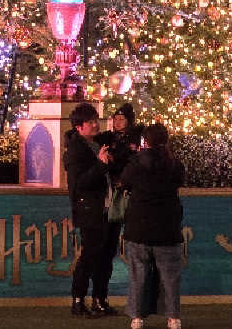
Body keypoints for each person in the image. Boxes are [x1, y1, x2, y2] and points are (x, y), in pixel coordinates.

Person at [120, 122, 185, 329]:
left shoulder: (136, 163)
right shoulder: (175, 164)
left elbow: (124, 182)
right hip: (167, 228)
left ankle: (137, 318)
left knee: (138, 274)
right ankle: (173, 318)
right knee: (170, 276)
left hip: (139, 228)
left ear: (145, 142)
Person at [63, 101, 112, 317]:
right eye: (90, 122)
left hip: (103, 208)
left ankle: (99, 300)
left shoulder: (94, 144)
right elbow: (79, 183)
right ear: (78, 127)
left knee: (103, 256)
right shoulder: (76, 150)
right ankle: (78, 300)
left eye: (95, 120)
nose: (95, 124)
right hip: (88, 210)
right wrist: (101, 165)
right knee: (89, 256)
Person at [95, 103, 143, 312]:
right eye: (115, 118)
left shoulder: (135, 140)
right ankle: (99, 297)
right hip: (109, 199)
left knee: (132, 249)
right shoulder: (107, 138)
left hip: (128, 199)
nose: (117, 122)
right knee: (105, 248)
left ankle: (138, 301)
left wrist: (115, 161)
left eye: (122, 119)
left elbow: (132, 164)